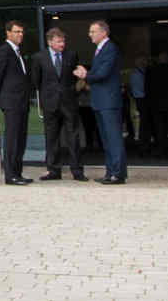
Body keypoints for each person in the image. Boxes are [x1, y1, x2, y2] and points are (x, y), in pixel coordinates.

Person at [30, 28, 85, 181]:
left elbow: (75, 78)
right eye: (59, 41)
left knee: (73, 136)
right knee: (52, 137)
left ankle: (77, 170)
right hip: (50, 103)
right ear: (50, 42)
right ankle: (53, 170)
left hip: (69, 102)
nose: (62, 44)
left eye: (63, 41)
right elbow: (36, 80)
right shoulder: (39, 57)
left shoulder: (71, 55)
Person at [82, 20, 125, 184]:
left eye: (93, 31)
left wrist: (86, 75)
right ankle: (111, 171)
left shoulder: (110, 49)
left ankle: (117, 173)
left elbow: (103, 73)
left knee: (113, 138)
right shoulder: (101, 50)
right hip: (101, 101)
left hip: (109, 101)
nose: (90, 34)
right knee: (106, 139)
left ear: (104, 33)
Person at [0, 20, 30, 185]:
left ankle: (17, 172)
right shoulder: (4, 50)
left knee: (20, 137)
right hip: (11, 100)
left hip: (21, 100)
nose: (20, 35)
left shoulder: (17, 51)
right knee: (12, 138)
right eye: (17, 32)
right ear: (8, 33)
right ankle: (11, 174)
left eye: (21, 32)